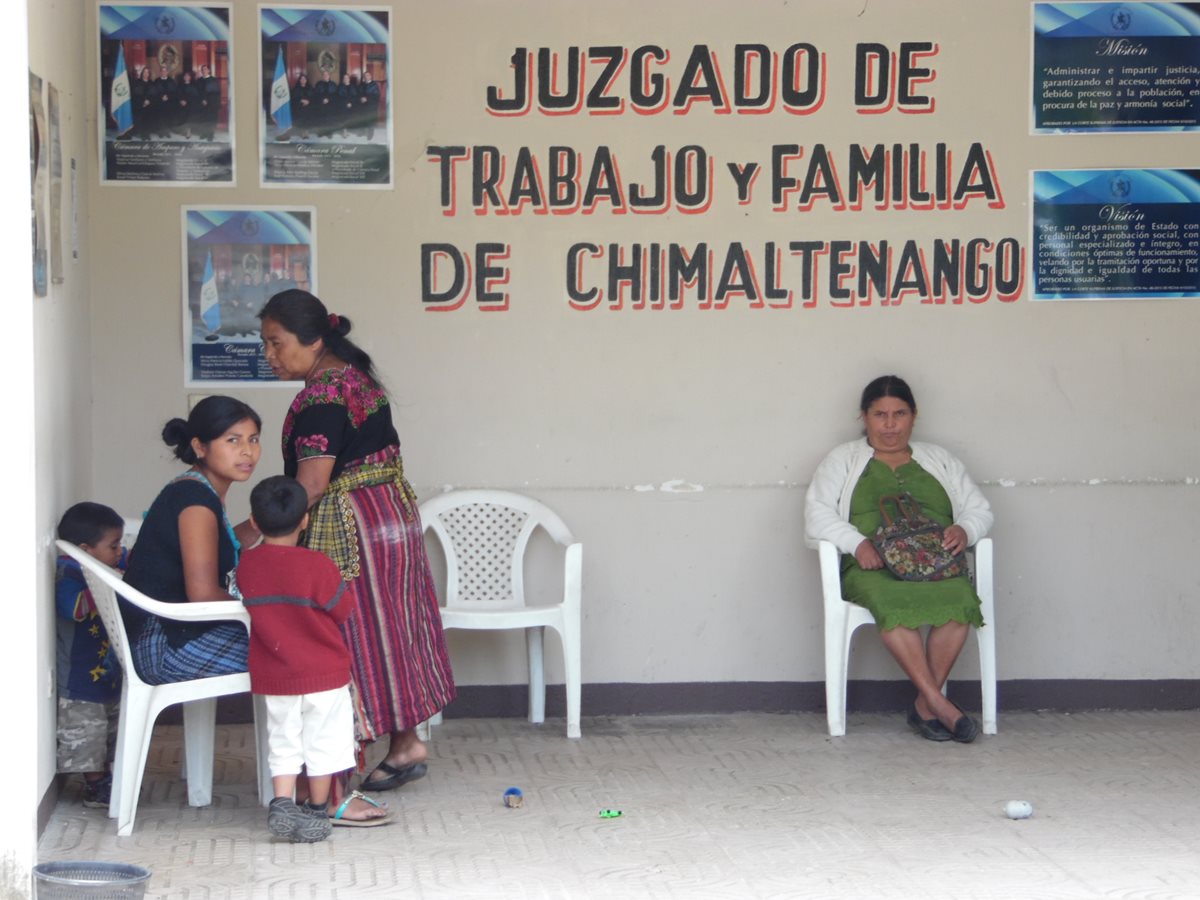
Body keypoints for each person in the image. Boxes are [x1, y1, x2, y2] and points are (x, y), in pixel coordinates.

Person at [255, 289, 455, 820]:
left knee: (341, 644)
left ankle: (335, 786)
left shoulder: (322, 395)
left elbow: (312, 483)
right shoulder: (357, 378)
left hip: (353, 531)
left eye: (277, 344)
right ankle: (408, 743)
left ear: (314, 340)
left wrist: (254, 529)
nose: (269, 355)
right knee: (389, 632)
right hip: (391, 518)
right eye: (265, 344)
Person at [804, 375, 993, 743]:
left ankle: (927, 706)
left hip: (935, 566)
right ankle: (940, 705)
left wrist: (965, 530)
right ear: (865, 417)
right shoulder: (843, 459)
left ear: (914, 416)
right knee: (892, 602)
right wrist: (857, 544)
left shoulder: (940, 459)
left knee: (961, 601)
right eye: (880, 415)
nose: (890, 425)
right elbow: (818, 513)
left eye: (899, 414)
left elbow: (980, 509)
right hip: (873, 568)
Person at [239, 475, 391, 838]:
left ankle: (282, 803)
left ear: (255, 522)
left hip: (275, 676)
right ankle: (318, 810)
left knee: (284, 739)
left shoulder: (248, 565)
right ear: (305, 519)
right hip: (324, 675)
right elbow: (343, 610)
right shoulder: (318, 565)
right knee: (324, 742)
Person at [122, 396, 261, 684]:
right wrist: (262, 613)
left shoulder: (197, 489)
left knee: (296, 646)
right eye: (233, 441)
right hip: (164, 644)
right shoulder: (195, 501)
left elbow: (215, 547)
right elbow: (203, 593)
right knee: (302, 654)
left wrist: (256, 526)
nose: (248, 451)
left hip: (174, 632)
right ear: (200, 447)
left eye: (254, 439)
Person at [55, 502, 126, 808]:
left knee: (109, 730)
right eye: (113, 546)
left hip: (106, 675)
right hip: (80, 681)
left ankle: (107, 776)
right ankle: (94, 785)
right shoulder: (69, 573)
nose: (119, 551)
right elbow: (73, 608)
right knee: (88, 733)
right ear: (86, 549)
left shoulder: (102, 567)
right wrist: (107, 582)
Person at [195, 64, 220, 140]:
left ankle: (210, 135)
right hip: (201, 103)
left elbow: (215, 92)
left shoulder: (213, 80)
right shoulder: (199, 80)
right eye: (202, 70)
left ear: (208, 70)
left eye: (205, 69)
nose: (204, 71)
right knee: (203, 119)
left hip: (212, 103)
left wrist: (207, 100)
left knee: (211, 119)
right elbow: (197, 92)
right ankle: (204, 134)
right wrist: (202, 100)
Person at [355, 70, 381, 140]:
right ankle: (362, 132)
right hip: (362, 105)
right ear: (364, 77)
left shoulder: (374, 85)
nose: (366, 77)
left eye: (368, 75)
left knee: (370, 120)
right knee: (362, 119)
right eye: (365, 76)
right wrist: (361, 98)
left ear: (370, 76)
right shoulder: (361, 84)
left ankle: (370, 134)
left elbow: (376, 96)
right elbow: (358, 93)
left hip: (371, 105)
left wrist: (367, 99)